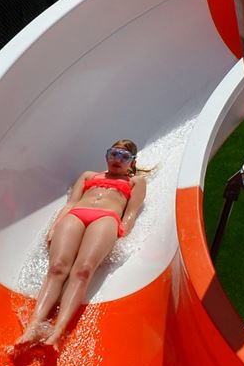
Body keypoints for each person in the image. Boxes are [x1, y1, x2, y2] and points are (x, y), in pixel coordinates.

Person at [13, 140, 147, 351]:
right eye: (113, 154)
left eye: (124, 157)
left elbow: (131, 213)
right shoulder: (88, 176)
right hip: (76, 215)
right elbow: (71, 203)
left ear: (132, 162)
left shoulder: (136, 182)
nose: (117, 159)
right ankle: (33, 326)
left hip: (106, 218)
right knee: (57, 268)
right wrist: (55, 226)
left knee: (83, 271)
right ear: (107, 155)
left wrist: (121, 234)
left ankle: (58, 332)